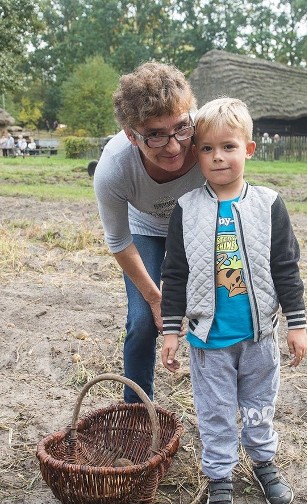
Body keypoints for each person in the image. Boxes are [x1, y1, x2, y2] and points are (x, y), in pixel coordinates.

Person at [160, 97, 307, 504]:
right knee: (216, 412)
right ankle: (220, 477)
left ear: (249, 149)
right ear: (196, 155)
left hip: (260, 336)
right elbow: (175, 273)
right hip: (210, 340)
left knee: (260, 406)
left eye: (228, 146)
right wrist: (171, 332)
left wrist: (296, 324)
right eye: (206, 149)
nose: (218, 157)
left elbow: (285, 267)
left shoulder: (268, 204)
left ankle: (263, 463)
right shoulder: (187, 210)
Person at [94, 61, 206, 404]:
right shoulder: (113, 169)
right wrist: (157, 298)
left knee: (216, 311)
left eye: (180, 129)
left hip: (199, 225)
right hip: (147, 228)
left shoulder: (206, 135)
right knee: (143, 320)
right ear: (132, 135)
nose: (173, 147)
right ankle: (137, 409)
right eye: (155, 135)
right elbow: (118, 241)